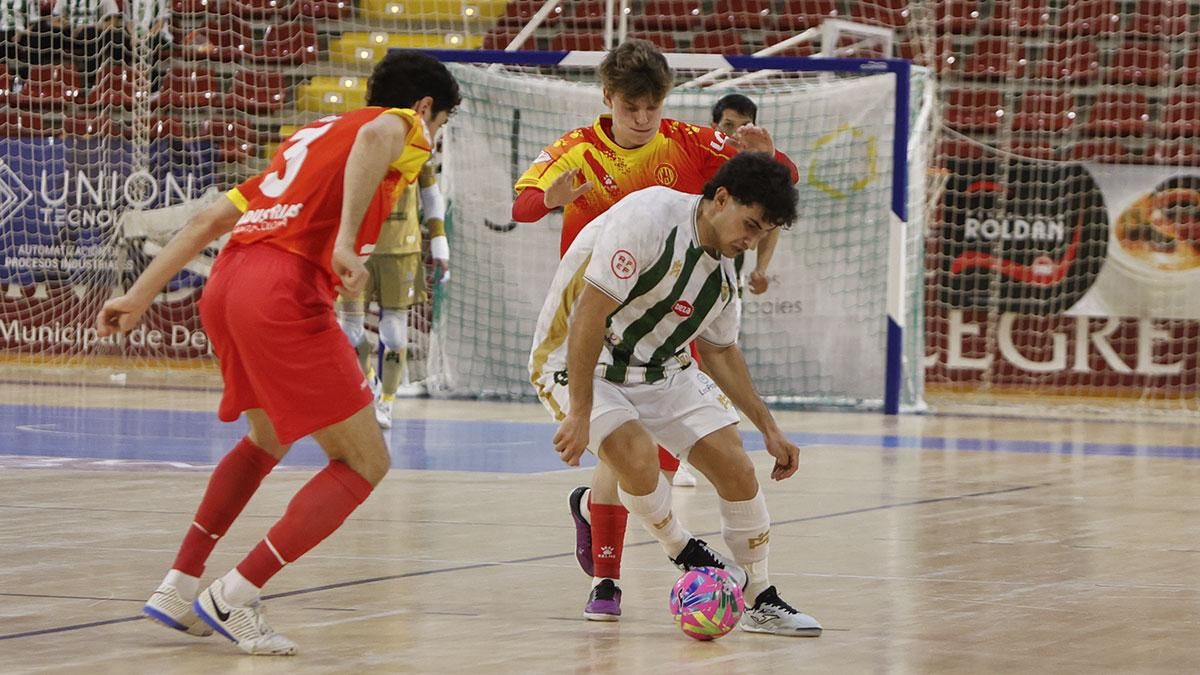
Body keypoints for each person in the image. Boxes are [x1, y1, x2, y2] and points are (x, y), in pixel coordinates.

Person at [95, 50, 460, 655]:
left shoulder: (310, 139)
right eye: (440, 123)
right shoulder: (399, 124)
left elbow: (209, 220)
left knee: (267, 438)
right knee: (366, 464)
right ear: (424, 107)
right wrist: (345, 242)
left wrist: (138, 294)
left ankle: (178, 582)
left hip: (229, 285)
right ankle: (235, 594)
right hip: (281, 293)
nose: (433, 137)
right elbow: (378, 133)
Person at [511, 38, 797, 621]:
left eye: (653, 108)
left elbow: (767, 184)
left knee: (693, 461)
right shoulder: (579, 153)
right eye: (630, 108)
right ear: (608, 99)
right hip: (593, 318)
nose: (643, 120)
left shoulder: (689, 147)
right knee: (628, 456)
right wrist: (548, 199)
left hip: (665, 310)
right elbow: (524, 208)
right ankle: (633, 570)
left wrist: (774, 158)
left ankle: (756, 592)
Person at [529, 152, 822, 637]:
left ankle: (761, 598)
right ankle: (682, 548)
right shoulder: (648, 216)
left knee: (737, 466)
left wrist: (769, 429)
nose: (749, 240)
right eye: (748, 225)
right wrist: (580, 413)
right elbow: (589, 315)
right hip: (576, 361)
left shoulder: (725, 276)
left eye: (761, 233)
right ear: (720, 198)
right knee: (637, 456)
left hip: (661, 367)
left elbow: (723, 352)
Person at [337, 162, 449, 427]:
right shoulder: (358, 141)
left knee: (394, 333)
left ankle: (386, 401)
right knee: (348, 330)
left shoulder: (417, 145)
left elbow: (431, 196)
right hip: (357, 250)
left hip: (402, 252)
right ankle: (370, 384)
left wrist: (439, 244)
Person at [711, 93, 777, 296]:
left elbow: (772, 224)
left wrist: (760, 269)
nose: (736, 133)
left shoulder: (762, 174)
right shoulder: (695, 161)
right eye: (728, 125)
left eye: (744, 126)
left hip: (726, 278)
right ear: (714, 127)